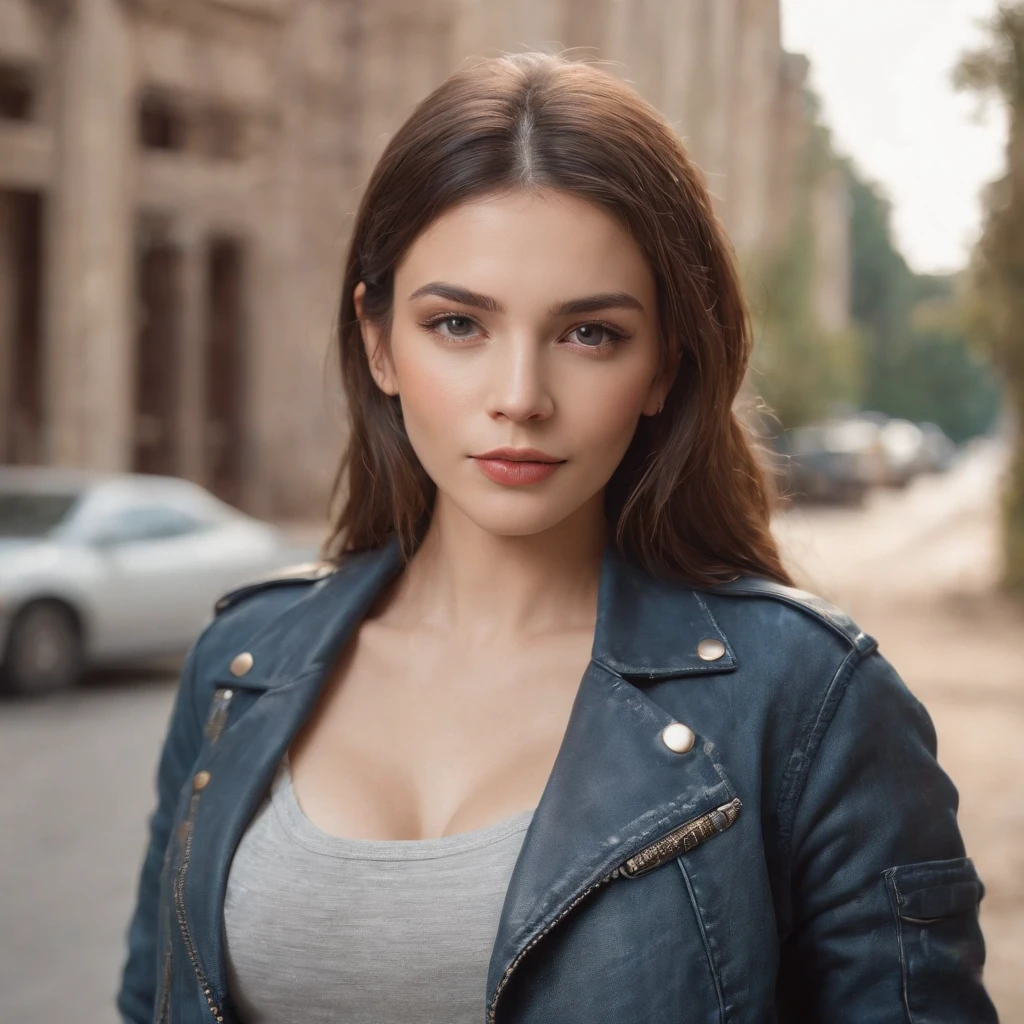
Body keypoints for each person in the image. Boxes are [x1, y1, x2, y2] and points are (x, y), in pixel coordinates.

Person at [117, 53, 997, 1024]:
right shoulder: (237, 669)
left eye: (589, 334)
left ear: (665, 362)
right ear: (378, 343)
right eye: (458, 324)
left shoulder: (811, 701)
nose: (520, 398)